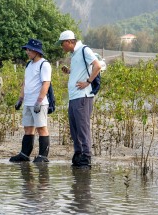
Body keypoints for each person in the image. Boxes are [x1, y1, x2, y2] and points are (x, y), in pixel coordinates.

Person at [59, 30, 102, 167]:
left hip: (83, 96)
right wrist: (69, 72)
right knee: (74, 128)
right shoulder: (74, 54)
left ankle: (86, 156)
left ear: (69, 41)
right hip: (74, 97)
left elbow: (97, 66)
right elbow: (80, 71)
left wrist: (88, 82)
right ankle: (78, 154)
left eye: (62, 43)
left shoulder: (84, 50)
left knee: (82, 127)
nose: (61, 46)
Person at [10, 38, 52, 163]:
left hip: (39, 103)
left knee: (41, 128)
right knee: (28, 128)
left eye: (29, 50)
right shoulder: (29, 64)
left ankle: (43, 156)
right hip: (27, 102)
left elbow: (46, 84)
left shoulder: (44, 64)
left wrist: (39, 101)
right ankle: (24, 154)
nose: (27, 52)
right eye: (27, 49)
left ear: (36, 51)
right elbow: (25, 82)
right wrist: (20, 99)